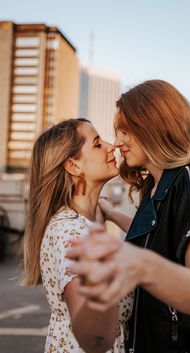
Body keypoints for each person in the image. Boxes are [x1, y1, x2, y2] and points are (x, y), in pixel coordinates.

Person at [66, 80, 190, 353]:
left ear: (154, 124)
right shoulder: (154, 185)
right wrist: (110, 214)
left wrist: (138, 264)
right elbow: (155, 236)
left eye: (125, 131)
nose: (118, 143)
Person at [20, 118, 134, 353]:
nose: (111, 146)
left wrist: (110, 213)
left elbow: (147, 233)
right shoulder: (69, 234)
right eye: (97, 144)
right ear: (73, 166)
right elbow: (93, 336)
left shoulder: (87, 221)